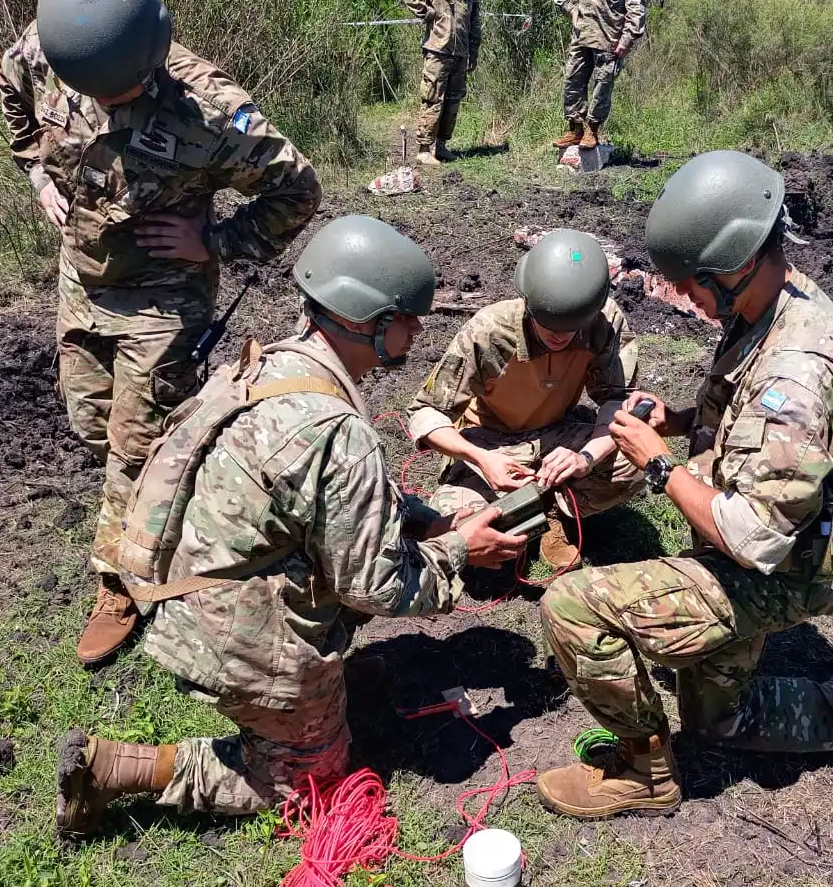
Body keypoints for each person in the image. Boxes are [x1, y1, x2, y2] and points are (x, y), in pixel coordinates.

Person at [535, 151, 833, 819]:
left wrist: (659, 461)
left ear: (734, 264)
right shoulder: (774, 299)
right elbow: (746, 421)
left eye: (691, 285)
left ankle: (643, 772)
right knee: (720, 722)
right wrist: (684, 420)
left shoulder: (799, 375)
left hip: (769, 566)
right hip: (760, 530)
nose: (683, 299)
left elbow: (754, 540)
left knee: (573, 607)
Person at [55, 216, 526, 835]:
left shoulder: (275, 366)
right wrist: (463, 550)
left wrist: (426, 518)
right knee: (309, 787)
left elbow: (326, 500)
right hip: (225, 634)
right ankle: (117, 769)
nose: (417, 332)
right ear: (371, 322)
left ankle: (310, 697)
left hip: (187, 585)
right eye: (409, 319)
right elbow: (377, 587)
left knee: (351, 597)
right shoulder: (336, 429)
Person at [0, 0, 322, 667]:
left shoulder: (209, 109)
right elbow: (14, 97)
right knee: (93, 427)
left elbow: (297, 188)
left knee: (133, 447)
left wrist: (218, 241)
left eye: (120, 95)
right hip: (81, 282)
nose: (107, 106)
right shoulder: (54, 47)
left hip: (165, 300)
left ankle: (120, 583)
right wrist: (36, 177)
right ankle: (181, 500)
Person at [407, 229, 642, 570]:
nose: (559, 336)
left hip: (556, 436)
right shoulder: (488, 331)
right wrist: (481, 459)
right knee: (455, 523)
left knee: (635, 459)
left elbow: (618, 400)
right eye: (549, 325)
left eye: (571, 326)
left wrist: (585, 459)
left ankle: (551, 511)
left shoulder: (604, 321)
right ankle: (535, 511)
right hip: (488, 445)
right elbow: (426, 411)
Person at [552, 0, 648, 150]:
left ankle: (592, 130)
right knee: (572, 80)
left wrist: (627, 38)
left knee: (603, 82)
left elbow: (636, 4)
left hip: (610, 36)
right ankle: (575, 130)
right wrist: (571, 9)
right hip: (582, 33)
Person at [400, 0, 482, 165]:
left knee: (453, 100)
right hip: (437, 49)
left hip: (461, 52)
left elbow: (475, 22)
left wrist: (473, 52)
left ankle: (441, 146)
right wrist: (428, 13)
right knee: (433, 98)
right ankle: (424, 150)